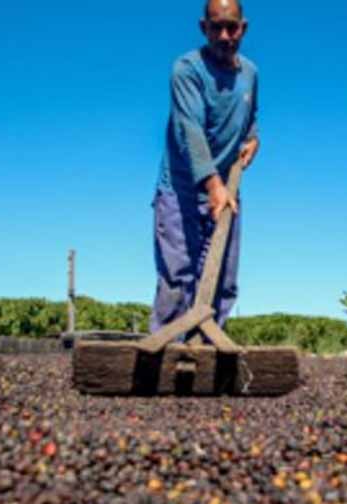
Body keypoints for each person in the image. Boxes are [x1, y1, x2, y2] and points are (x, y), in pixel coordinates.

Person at [150, 0, 260, 333]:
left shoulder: (250, 74)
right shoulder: (187, 70)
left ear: (243, 28)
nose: (225, 35)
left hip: (227, 192)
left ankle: (207, 351)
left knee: (223, 282)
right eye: (216, 27)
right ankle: (168, 352)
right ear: (204, 28)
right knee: (177, 279)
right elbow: (190, 130)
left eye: (232, 27)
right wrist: (213, 185)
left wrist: (253, 139)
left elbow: (250, 118)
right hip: (180, 191)